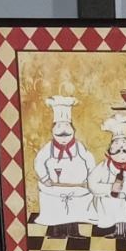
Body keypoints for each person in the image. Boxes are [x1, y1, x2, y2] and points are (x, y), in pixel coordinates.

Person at [33, 96, 95, 233]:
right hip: (55, 186)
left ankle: (74, 232)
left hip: (77, 186)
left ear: (73, 131)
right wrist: (45, 178)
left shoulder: (79, 146)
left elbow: (90, 160)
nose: (63, 139)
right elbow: (39, 161)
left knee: (74, 209)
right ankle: (57, 232)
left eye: (67, 135)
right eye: (59, 136)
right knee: (57, 209)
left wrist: (89, 178)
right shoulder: (48, 148)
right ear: (53, 132)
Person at [87, 113, 126, 239]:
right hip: (113, 200)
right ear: (109, 152)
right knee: (116, 209)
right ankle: (118, 231)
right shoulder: (103, 167)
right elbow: (92, 183)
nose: (121, 152)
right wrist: (110, 188)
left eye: (125, 149)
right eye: (117, 149)